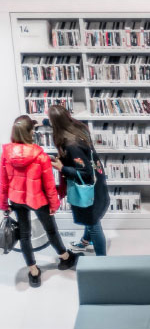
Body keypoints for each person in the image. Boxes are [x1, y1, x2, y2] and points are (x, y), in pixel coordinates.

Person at [0, 115, 78, 286]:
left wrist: (4, 204)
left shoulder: (6, 154)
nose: (34, 133)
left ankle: (33, 272)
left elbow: (3, 182)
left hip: (17, 199)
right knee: (51, 230)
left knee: (24, 235)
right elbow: (49, 186)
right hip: (38, 199)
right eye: (33, 130)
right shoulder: (40, 156)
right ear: (28, 133)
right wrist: (54, 204)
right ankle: (65, 258)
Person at [48, 105, 109, 255]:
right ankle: (84, 242)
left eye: (49, 120)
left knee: (93, 223)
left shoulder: (71, 145)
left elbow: (85, 172)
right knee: (91, 216)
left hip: (86, 187)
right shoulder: (78, 127)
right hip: (97, 179)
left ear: (55, 123)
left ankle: (103, 261)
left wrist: (62, 168)